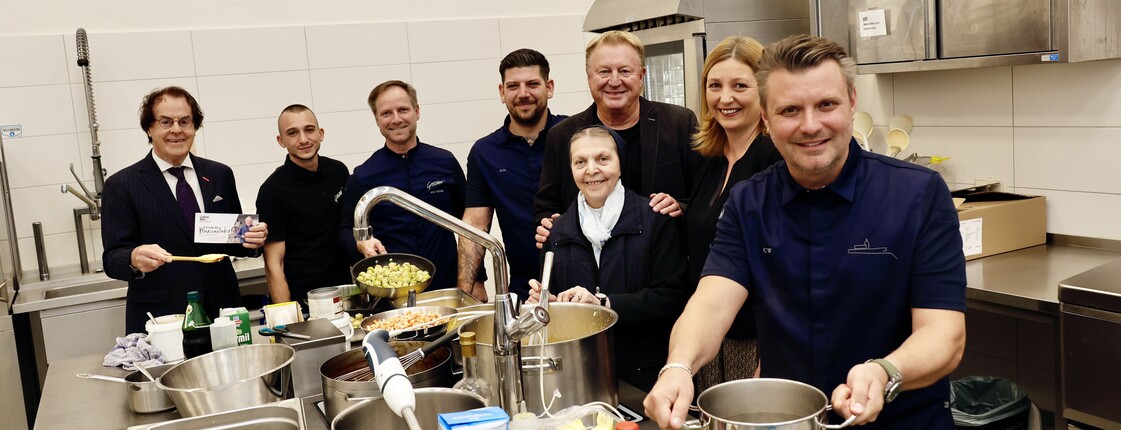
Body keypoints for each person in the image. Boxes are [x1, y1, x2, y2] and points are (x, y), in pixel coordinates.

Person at [643, 34, 967, 429]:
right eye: (790, 110)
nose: (810, 125)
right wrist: (677, 366)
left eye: (826, 104)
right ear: (766, 118)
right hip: (791, 420)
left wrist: (884, 371)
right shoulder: (749, 203)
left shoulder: (918, 194)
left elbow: (944, 335)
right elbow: (711, 303)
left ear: (852, 102)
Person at [527, 125, 686, 392]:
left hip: (647, 377)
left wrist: (603, 303)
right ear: (571, 169)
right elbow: (553, 311)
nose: (591, 170)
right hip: (581, 377)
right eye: (580, 162)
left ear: (620, 164)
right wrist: (547, 304)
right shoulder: (555, 233)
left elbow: (671, 297)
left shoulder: (656, 220)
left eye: (603, 159)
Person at [102, 86, 269, 335]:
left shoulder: (219, 174)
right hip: (164, 317)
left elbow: (231, 240)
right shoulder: (122, 185)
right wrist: (133, 258)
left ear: (195, 127)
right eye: (165, 122)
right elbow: (112, 257)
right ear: (149, 128)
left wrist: (253, 240)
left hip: (222, 309)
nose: (177, 129)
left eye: (185, 121)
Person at [533, 30, 698, 248]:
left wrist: (681, 207)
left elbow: (705, 197)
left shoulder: (679, 123)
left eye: (625, 71)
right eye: (604, 72)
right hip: (592, 270)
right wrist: (547, 223)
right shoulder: (562, 135)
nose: (614, 81)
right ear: (589, 77)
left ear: (641, 76)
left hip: (666, 264)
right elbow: (546, 206)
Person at [684, 36, 784, 392]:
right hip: (710, 333)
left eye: (739, 86)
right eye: (715, 86)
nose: (725, 98)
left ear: (763, 90)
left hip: (755, 338)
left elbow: (781, 262)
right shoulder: (707, 156)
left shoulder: (774, 157)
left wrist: (770, 356)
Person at [458, 49, 568, 302]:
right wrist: (465, 293)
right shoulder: (484, 152)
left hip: (582, 284)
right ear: (502, 92)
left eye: (532, 84)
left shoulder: (576, 135)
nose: (523, 94)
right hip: (523, 288)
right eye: (513, 86)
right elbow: (475, 225)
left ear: (549, 87)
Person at [339, 80, 466, 291]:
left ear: (417, 111)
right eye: (386, 113)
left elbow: (469, 225)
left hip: (448, 284)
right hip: (392, 294)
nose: (396, 119)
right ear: (377, 120)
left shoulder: (445, 162)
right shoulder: (363, 175)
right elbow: (344, 230)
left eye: (403, 110)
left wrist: (477, 279)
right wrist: (360, 244)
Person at [256, 104, 351, 304]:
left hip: (347, 293)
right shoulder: (272, 191)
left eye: (309, 130)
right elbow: (274, 264)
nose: (303, 139)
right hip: (305, 301)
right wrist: (288, 317)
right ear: (281, 141)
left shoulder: (339, 171)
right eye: (293, 133)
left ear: (321, 133)